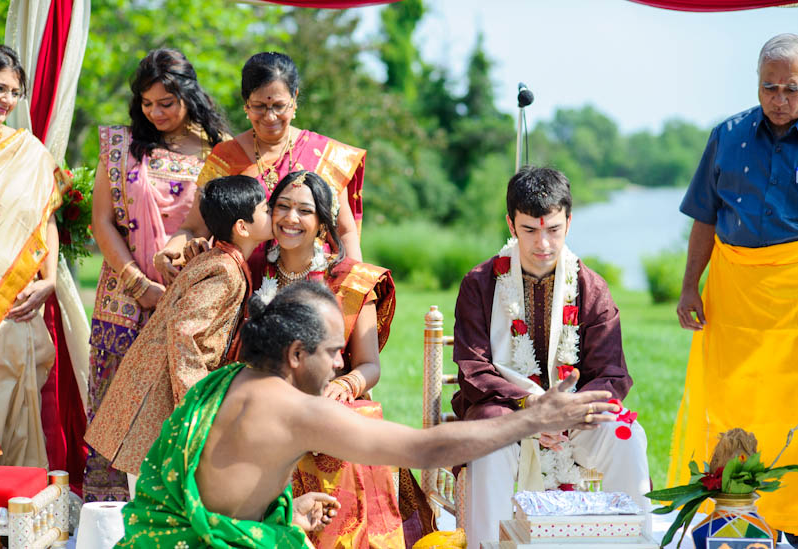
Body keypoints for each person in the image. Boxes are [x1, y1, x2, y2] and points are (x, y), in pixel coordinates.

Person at [115, 281, 620, 548]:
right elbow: (425, 448)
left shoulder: (224, 382)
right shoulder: (295, 409)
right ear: (295, 354)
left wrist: (286, 507)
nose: (342, 363)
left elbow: (223, 487)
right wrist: (535, 418)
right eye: (333, 351)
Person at [451, 166, 651, 546]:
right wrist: (532, 408)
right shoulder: (480, 284)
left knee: (625, 434)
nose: (542, 243)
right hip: (507, 411)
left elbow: (611, 372)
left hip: (576, 416)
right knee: (487, 437)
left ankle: (633, 541)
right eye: (530, 229)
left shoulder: (591, 288)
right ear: (511, 224)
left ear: (569, 223)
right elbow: (473, 368)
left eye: (553, 229)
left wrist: (566, 411)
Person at [84, 48, 229, 502]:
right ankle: (110, 524)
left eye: (166, 102)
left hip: (194, 304)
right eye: (147, 103)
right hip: (125, 305)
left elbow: (224, 222)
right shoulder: (120, 145)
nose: (155, 112)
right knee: (116, 418)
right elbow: (102, 221)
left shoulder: (220, 148)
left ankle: (179, 515)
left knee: (184, 412)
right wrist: (138, 284)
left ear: (189, 94)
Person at [670, 33, 798, 544]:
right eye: (771, 87)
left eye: (793, 88)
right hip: (732, 295)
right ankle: (727, 521)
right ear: (757, 82)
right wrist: (688, 289)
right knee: (728, 403)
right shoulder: (727, 135)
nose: (781, 99)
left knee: (790, 406)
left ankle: (789, 519)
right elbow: (704, 217)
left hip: (792, 298)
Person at [85, 174, 272, 496]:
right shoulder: (225, 272)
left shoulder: (217, 260)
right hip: (160, 397)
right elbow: (184, 330)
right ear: (243, 227)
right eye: (266, 208)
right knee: (157, 499)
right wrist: (196, 400)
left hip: (154, 390)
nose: (272, 214)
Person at [254, 171, 406, 547]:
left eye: (304, 210)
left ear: (323, 223)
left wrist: (342, 384)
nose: (291, 218)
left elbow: (370, 365)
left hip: (332, 403)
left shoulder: (351, 281)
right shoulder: (254, 271)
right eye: (283, 207)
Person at [154, 51, 366, 283]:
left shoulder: (327, 155)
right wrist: (168, 252)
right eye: (259, 106)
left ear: (294, 99)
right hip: (241, 287)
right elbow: (194, 228)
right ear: (246, 102)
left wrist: (354, 290)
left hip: (311, 290)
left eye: (279, 105)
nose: (270, 116)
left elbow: (345, 232)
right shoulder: (226, 158)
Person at [0, 44, 75, 468]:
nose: (7, 100)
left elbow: (44, 221)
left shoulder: (28, 154)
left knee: (12, 428)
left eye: (15, 92)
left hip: (11, 311)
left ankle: (8, 526)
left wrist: (48, 279)